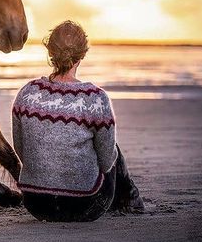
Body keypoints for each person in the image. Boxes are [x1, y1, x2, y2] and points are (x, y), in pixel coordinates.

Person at [12, 20, 144, 222]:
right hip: (84, 205)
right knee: (111, 146)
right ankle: (131, 199)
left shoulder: (26, 93)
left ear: (51, 53)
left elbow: (21, 150)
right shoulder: (96, 98)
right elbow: (107, 162)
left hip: (35, 203)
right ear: (82, 54)